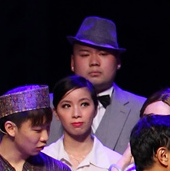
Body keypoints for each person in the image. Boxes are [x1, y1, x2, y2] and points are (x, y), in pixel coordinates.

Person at [57, 16, 143, 154]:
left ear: (118, 61)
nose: (94, 62)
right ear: (72, 62)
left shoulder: (140, 109)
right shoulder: (47, 107)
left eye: (103, 54)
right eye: (85, 55)